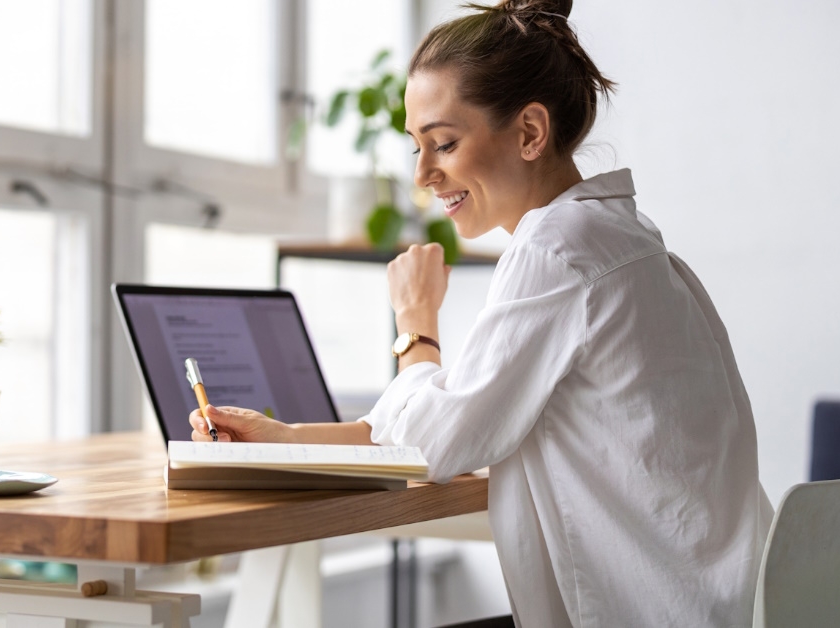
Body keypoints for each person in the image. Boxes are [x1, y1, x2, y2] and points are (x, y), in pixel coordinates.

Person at [190, 0, 773, 625]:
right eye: (416, 146)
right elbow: (453, 413)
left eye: (443, 143)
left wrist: (415, 324)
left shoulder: (558, 249)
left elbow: (435, 442)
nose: (423, 174)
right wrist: (286, 440)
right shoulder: (616, 235)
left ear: (529, 132)